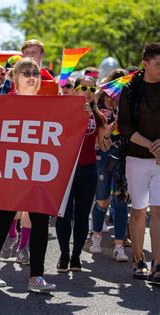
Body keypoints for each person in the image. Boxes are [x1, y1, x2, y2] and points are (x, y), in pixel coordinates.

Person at [0, 57, 54, 292]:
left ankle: (36, 277)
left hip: (37, 171)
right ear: (15, 78)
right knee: (3, 219)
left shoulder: (48, 104)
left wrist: (82, 111)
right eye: (26, 72)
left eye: (35, 72)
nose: (32, 76)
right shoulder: (3, 102)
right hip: (10, 170)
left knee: (41, 221)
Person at [55, 75, 108, 273]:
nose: (86, 93)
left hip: (88, 169)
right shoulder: (63, 110)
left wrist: (108, 133)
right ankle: (64, 254)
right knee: (63, 214)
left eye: (91, 89)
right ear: (75, 89)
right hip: (66, 170)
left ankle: (76, 255)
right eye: (82, 88)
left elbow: (104, 145)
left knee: (82, 215)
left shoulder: (99, 116)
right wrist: (77, 115)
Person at [118, 43, 160, 283]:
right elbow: (124, 126)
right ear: (145, 64)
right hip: (136, 157)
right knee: (138, 211)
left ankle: (157, 263)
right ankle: (138, 259)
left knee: (159, 211)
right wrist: (150, 145)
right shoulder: (131, 90)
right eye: (158, 64)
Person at [90, 69, 130, 262]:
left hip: (123, 157)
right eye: (116, 87)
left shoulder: (129, 105)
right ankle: (96, 237)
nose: (119, 92)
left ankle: (119, 246)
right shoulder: (98, 104)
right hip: (102, 155)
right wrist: (96, 96)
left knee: (121, 200)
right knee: (102, 201)